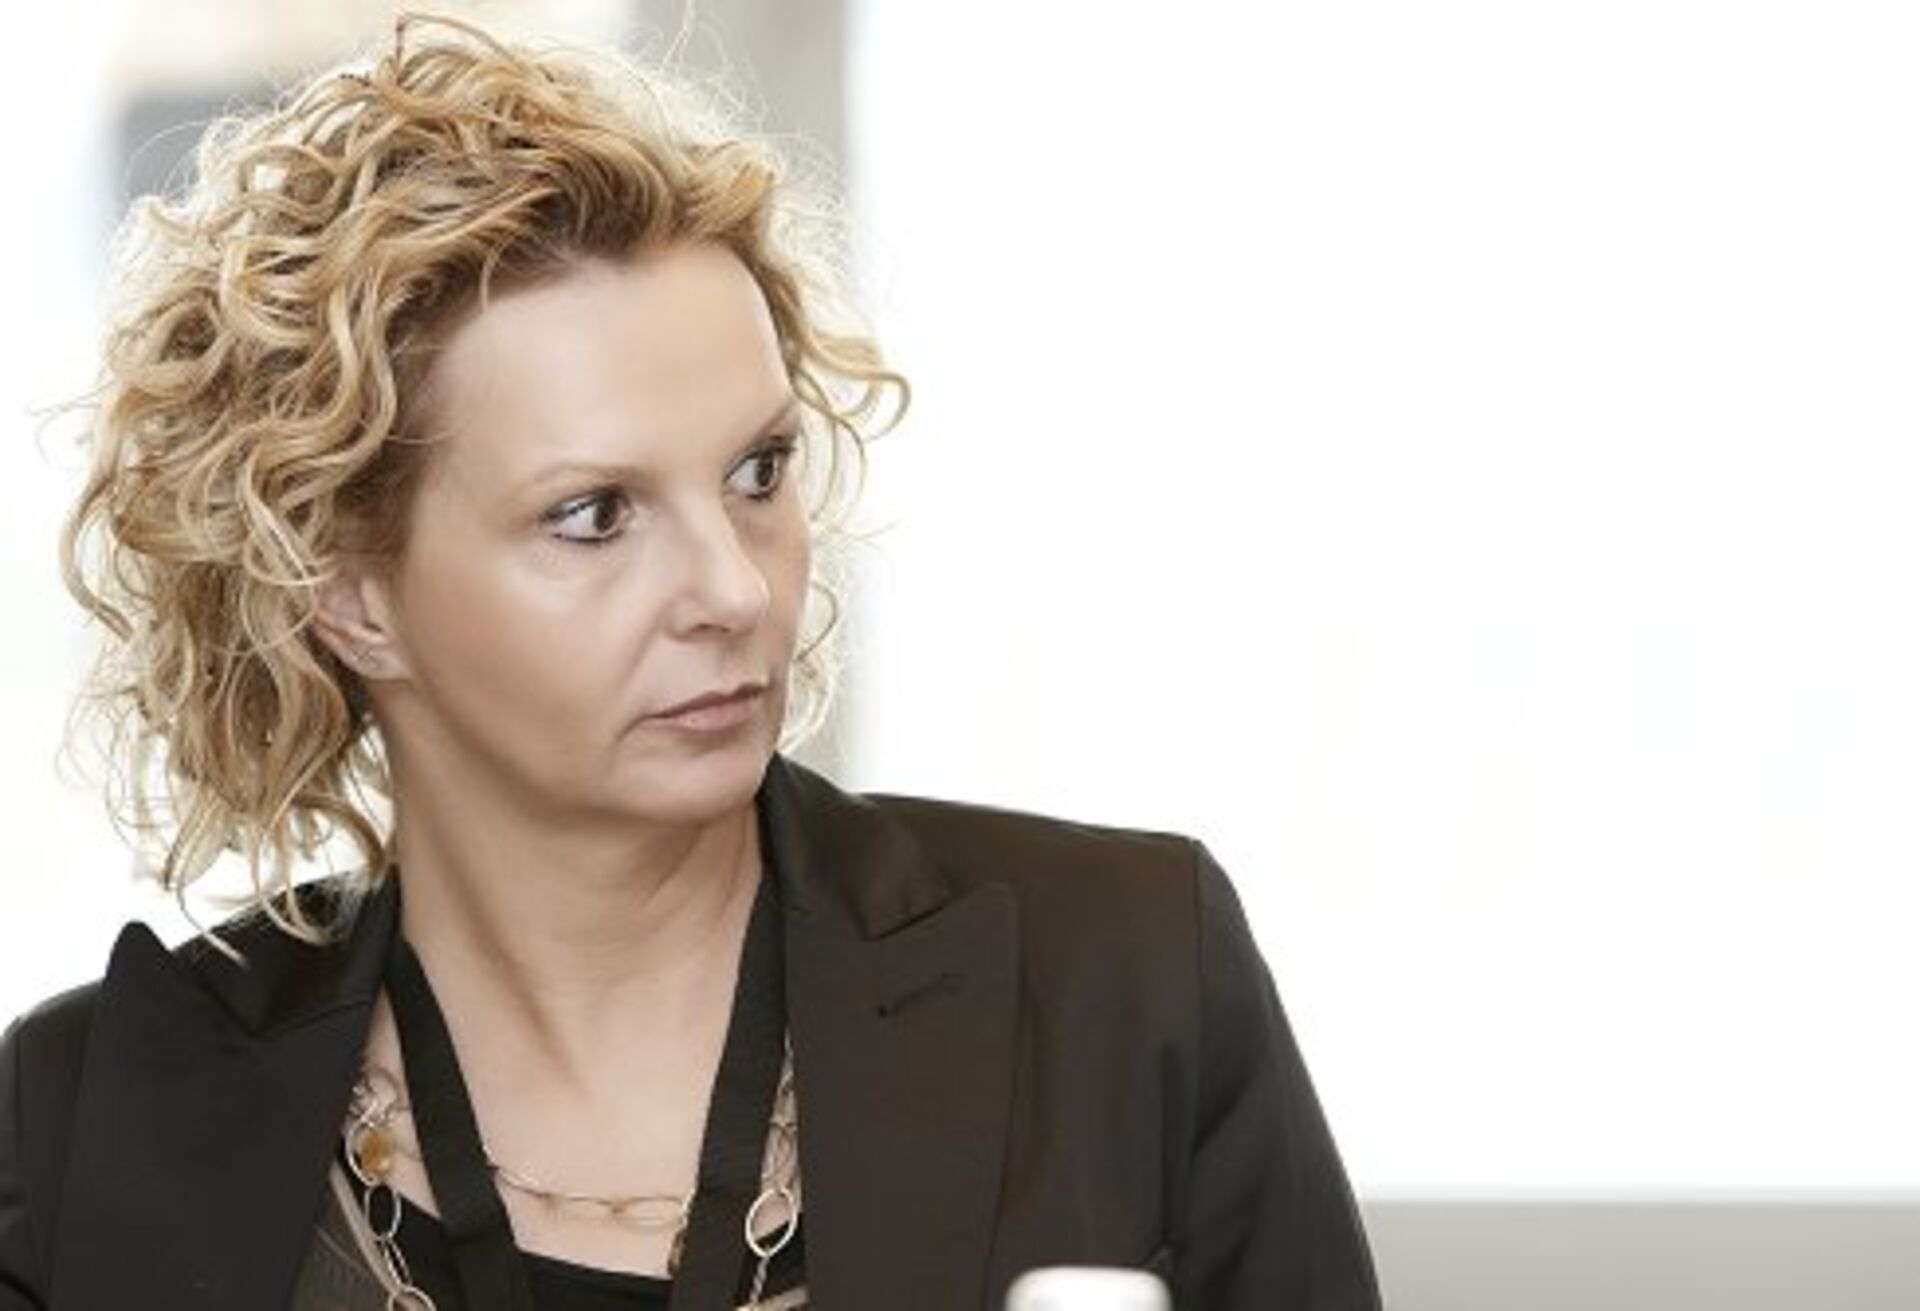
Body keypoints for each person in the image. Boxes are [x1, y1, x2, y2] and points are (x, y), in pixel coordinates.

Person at [0, 13, 1380, 1311]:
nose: (735, 587)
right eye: (594, 515)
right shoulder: (81, 1133)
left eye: (759, 472)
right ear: (350, 596)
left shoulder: (1125, 985)